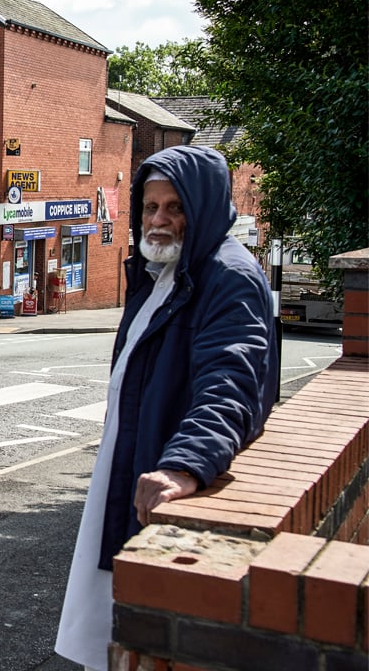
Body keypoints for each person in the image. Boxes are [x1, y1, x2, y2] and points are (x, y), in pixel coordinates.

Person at [55, 145, 278, 670]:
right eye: (150, 206)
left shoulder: (227, 276)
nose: (159, 220)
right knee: (111, 629)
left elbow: (231, 380)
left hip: (157, 463)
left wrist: (186, 465)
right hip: (128, 462)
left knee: (133, 627)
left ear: (202, 208)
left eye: (174, 207)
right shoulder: (161, 271)